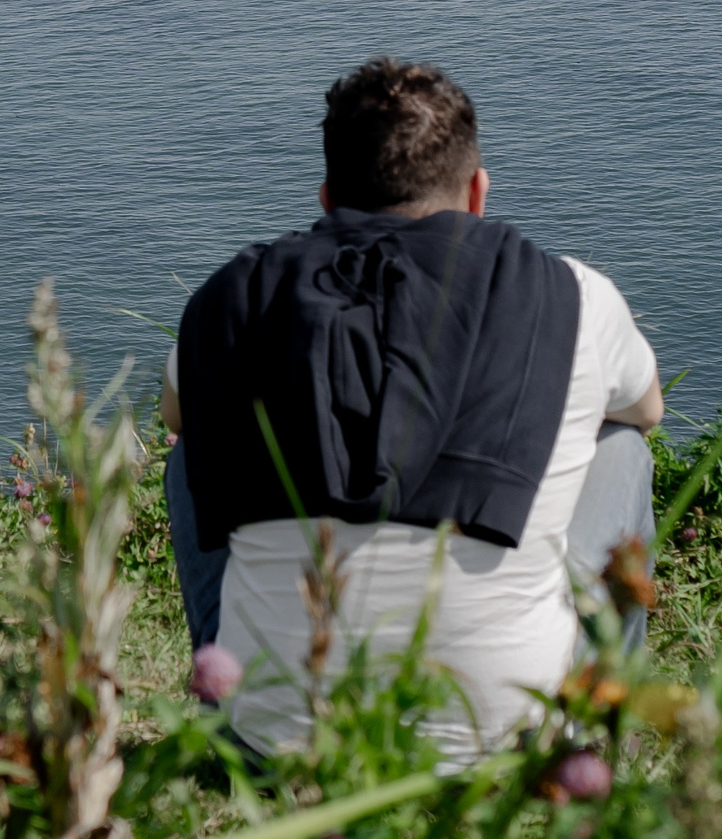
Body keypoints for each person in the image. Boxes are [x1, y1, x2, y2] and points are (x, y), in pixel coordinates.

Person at [162, 57, 661, 760]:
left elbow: (175, 417)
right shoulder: (572, 294)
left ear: (328, 196)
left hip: (267, 741)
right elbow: (649, 406)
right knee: (623, 445)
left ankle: (225, 684)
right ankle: (595, 731)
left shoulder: (229, 298)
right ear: (478, 192)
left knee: (191, 451)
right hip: (515, 743)